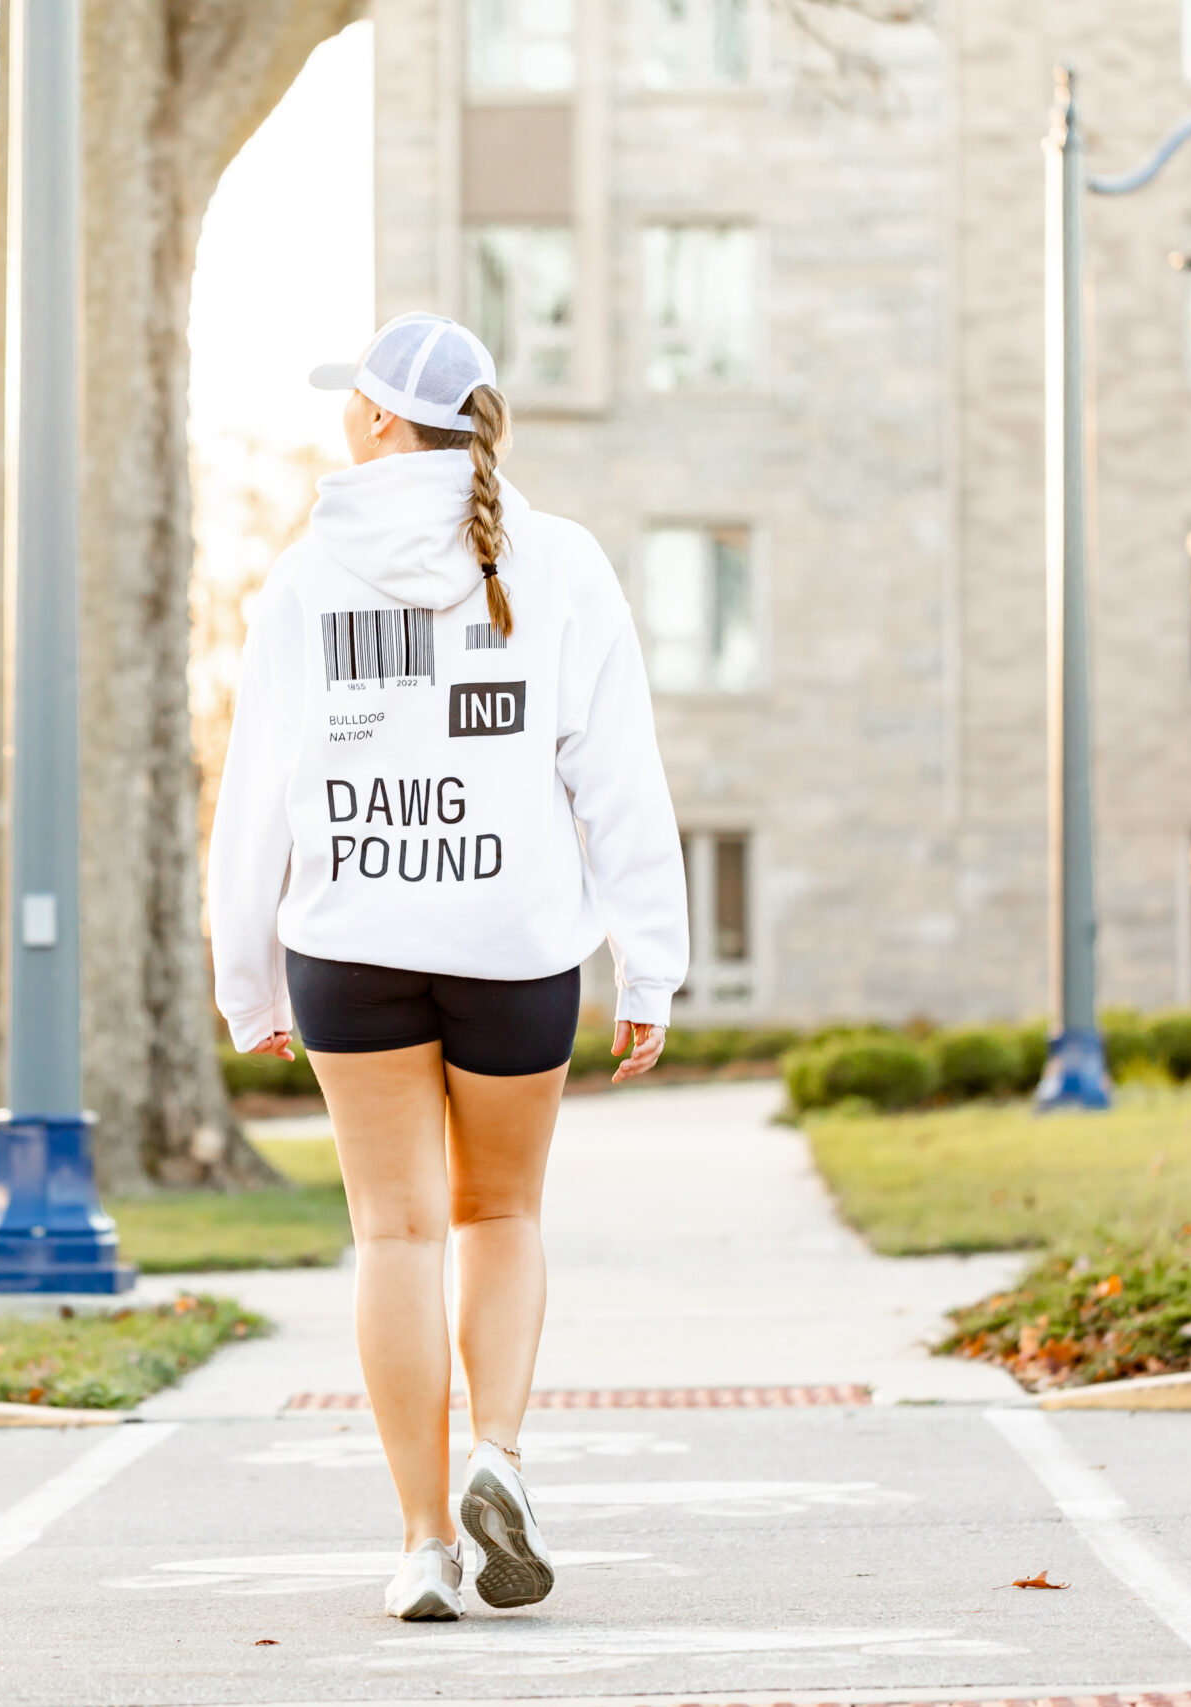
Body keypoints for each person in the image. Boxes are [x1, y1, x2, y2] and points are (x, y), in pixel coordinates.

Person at [207, 312, 689, 1621]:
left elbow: (257, 798)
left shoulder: (304, 580)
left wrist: (245, 981)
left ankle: (423, 1546)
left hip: (350, 949)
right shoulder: (563, 563)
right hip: (513, 951)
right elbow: (618, 777)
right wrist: (650, 966)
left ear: (376, 419)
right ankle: (500, 1457)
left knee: (395, 1231)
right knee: (501, 1215)